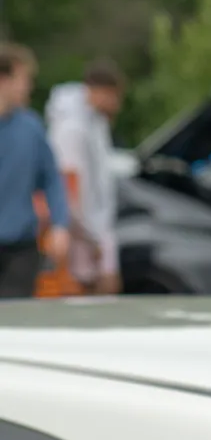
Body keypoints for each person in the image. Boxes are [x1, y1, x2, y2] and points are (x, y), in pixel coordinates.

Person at [45, 61, 125, 295]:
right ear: (101, 91)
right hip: (81, 232)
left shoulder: (95, 123)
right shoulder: (71, 128)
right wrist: (91, 237)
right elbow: (70, 187)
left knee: (105, 290)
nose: (118, 105)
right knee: (84, 293)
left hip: (97, 228)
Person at [0, 44, 68, 298]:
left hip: (20, 246)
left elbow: (51, 179)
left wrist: (60, 224)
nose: (29, 87)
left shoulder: (31, 128)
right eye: (24, 79)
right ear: (4, 79)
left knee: (16, 315)